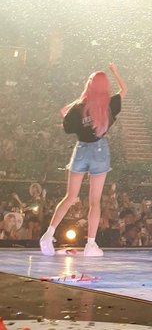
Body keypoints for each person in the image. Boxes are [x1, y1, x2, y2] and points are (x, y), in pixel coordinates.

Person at [39, 63, 127, 257]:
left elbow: (65, 118)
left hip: (80, 150)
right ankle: (90, 245)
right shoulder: (110, 104)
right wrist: (115, 72)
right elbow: (124, 90)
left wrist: (83, 98)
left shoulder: (78, 108)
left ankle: (48, 234)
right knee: (95, 201)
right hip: (100, 150)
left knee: (70, 196)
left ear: (89, 86)